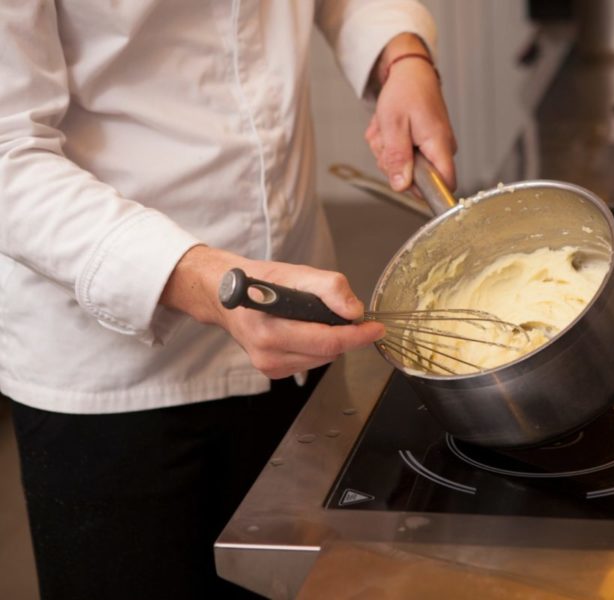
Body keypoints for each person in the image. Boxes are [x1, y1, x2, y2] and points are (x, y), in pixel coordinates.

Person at [0, 1, 456, 598]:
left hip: (294, 330)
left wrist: (401, 55)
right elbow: (9, 155)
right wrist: (203, 283)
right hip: (111, 374)